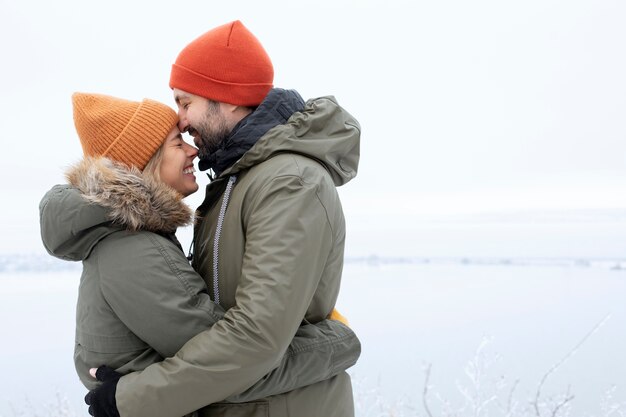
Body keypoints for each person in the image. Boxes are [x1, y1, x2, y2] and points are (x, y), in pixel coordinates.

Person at [84, 20, 361, 417]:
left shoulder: (288, 182)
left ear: (228, 98)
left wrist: (135, 398)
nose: (180, 119)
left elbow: (257, 336)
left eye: (185, 102)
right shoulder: (236, 179)